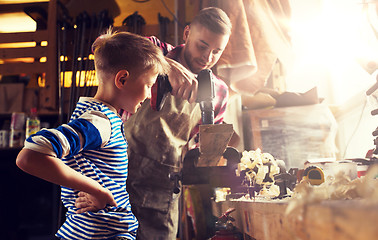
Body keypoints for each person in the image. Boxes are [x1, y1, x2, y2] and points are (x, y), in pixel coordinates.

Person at [15, 30, 170, 240]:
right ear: (122, 79)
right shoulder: (101, 122)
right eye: (149, 85)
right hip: (104, 234)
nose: (150, 93)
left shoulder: (98, 116)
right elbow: (29, 156)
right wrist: (98, 191)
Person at [122, 7, 232, 240]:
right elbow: (103, 45)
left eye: (216, 51)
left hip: (162, 196)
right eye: (202, 46)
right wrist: (165, 65)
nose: (207, 57)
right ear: (186, 34)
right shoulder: (156, 51)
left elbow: (203, 150)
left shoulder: (219, 92)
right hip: (117, 180)